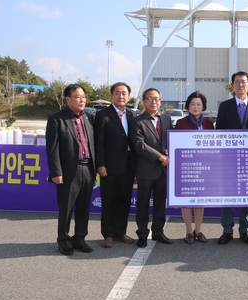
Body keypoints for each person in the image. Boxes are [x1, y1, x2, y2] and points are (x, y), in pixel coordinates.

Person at [215, 71, 248, 245]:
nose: (240, 85)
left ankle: (245, 230)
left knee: (247, 195)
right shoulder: (225, 106)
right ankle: (227, 230)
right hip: (228, 159)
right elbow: (219, 131)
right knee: (227, 194)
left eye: (243, 82)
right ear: (232, 85)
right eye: (236, 82)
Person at [45, 83, 96, 255]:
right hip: (67, 172)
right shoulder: (56, 119)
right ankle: (63, 240)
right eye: (77, 97)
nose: (81, 100)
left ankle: (80, 238)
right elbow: (52, 149)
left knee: (84, 207)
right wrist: (56, 172)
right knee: (66, 208)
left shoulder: (88, 118)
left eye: (83, 97)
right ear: (68, 99)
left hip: (88, 169)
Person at [94, 82, 136, 248]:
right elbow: (98, 143)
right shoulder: (103, 115)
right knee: (109, 200)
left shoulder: (133, 115)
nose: (121, 96)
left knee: (124, 200)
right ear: (112, 95)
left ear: (129, 96)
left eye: (124, 93)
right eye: (117, 93)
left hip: (128, 166)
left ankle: (120, 232)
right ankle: (108, 234)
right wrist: (101, 164)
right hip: (109, 167)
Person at [131, 88, 174, 248]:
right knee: (142, 204)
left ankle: (158, 232)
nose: (153, 101)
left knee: (159, 204)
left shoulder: (167, 119)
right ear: (143, 101)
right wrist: (159, 156)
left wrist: (170, 150)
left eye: (156, 98)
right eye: (150, 98)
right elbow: (138, 144)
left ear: (160, 101)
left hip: (163, 170)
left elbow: (170, 139)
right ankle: (142, 234)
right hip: (145, 170)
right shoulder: (137, 121)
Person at [175, 91, 214, 244]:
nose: (195, 107)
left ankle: (198, 230)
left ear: (203, 106)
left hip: (204, 167)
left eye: (198, 104)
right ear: (188, 106)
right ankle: (188, 231)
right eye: (192, 104)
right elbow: (175, 144)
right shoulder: (181, 123)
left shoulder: (209, 123)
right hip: (187, 166)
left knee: (200, 200)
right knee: (187, 200)